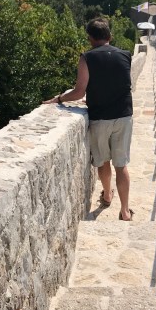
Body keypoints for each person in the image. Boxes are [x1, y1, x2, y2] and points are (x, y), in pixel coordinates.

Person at [45, 18, 134, 221]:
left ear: (90, 38)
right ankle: (125, 211)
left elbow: (78, 92)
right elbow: (118, 83)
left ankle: (107, 195)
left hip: (100, 117)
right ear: (110, 36)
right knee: (121, 165)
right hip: (124, 115)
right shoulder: (125, 55)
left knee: (103, 161)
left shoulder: (87, 58)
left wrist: (59, 99)